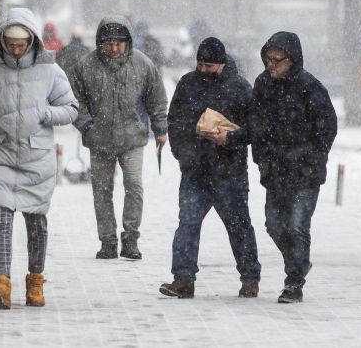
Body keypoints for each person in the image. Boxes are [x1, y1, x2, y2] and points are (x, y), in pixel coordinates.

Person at [0, 7, 78, 310]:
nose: (15, 49)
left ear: (32, 41)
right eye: (10, 43)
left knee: (36, 222)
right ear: (1, 40)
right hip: (0, 153)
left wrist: (45, 113)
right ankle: (2, 282)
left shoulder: (51, 71)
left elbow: (71, 108)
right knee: (1, 217)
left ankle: (35, 281)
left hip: (37, 157)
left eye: (21, 43)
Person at [159, 37, 261, 299]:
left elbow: (255, 128)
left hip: (229, 172)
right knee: (187, 223)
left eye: (209, 65)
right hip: (194, 170)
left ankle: (250, 278)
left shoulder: (240, 88)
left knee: (238, 226)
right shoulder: (187, 83)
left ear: (222, 64)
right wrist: (182, 154)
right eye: (200, 64)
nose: (203, 70)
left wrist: (230, 139)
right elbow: (176, 120)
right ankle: (183, 279)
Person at [68, 15, 168, 260]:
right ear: (100, 42)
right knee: (102, 191)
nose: (114, 48)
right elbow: (74, 100)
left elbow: (156, 98)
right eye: (108, 43)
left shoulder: (142, 65)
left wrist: (160, 128)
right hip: (99, 138)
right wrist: (87, 126)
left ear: (128, 42)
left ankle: (131, 238)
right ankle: (108, 241)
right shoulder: (86, 66)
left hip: (133, 137)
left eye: (119, 43)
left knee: (134, 186)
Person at [249, 31, 337, 303]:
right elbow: (257, 124)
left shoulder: (309, 87)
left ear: (292, 59)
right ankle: (298, 262)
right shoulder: (262, 85)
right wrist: (262, 158)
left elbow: (327, 127)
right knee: (274, 225)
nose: (271, 64)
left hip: (305, 172)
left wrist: (311, 158)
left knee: (298, 225)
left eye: (278, 59)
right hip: (276, 170)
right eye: (268, 58)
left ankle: (293, 283)